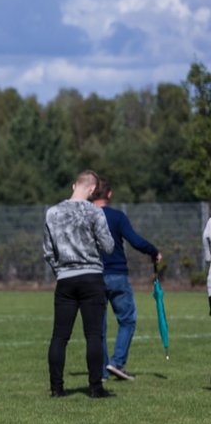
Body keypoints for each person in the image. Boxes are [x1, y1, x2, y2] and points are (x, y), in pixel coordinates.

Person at [44, 170, 115, 398]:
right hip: (91, 277)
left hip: (65, 279)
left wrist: (60, 270)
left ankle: (57, 388)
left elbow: (48, 251)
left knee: (59, 336)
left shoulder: (52, 212)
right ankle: (95, 387)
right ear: (93, 189)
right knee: (93, 335)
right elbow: (108, 246)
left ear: (74, 185)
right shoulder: (95, 212)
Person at [90, 178, 160, 381]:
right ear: (109, 194)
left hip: (93, 276)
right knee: (127, 320)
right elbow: (135, 240)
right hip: (117, 275)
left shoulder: (85, 217)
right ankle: (117, 362)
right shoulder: (117, 217)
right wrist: (153, 251)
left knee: (98, 326)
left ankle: (102, 370)